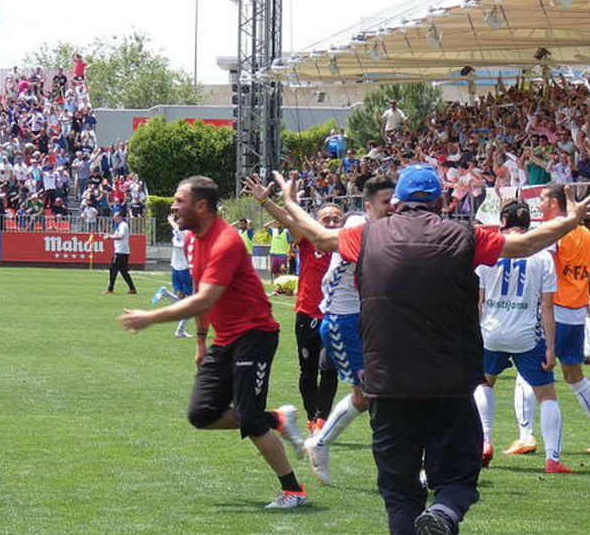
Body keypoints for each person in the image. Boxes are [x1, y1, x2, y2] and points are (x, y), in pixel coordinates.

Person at [266, 163, 586, 535]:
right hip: (449, 384)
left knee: (399, 494)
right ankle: (443, 516)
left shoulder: (366, 236)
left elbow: (318, 236)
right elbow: (526, 243)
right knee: (458, 478)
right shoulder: (464, 236)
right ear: (440, 201)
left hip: (387, 384)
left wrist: (287, 200)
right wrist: (572, 219)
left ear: (397, 201)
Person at [117, 175, 309, 509]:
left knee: (249, 418)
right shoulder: (193, 240)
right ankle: (277, 420)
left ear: (201, 206)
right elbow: (199, 292)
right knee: (201, 414)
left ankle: (294, 491)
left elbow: (205, 298)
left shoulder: (226, 242)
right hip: (226, 338)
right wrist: (201, 341)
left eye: (180, 201)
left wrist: (150, 318)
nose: (174, 207)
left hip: (255, 334)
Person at [250, 176, 396, 484]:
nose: (330, 222)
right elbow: (292, 221)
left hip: (359, 320)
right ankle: (319, 432)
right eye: (325, 218)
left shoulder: (365, 230)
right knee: (320, 377)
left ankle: (321, 425)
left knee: (346, 379)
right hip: (326, 317)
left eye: (334, 218)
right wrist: (270, 201)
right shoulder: (351, 232)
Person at [473, 201, 571, 474]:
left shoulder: (489, 249)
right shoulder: (542, 256)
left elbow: (478, 301)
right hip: (526, 334)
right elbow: (547, 306)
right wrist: (551, 348)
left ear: (503, 221)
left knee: (484, 382)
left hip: (491, 332)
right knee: (546, 394)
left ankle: (485, 441)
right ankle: (552, 459)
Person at [539, 183, 590, 455]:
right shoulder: (586, 234)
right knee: (574, 375)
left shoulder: (555, 231)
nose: (539, 204)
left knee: (534, 370)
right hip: (577, 311)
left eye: (543, 199)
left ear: (554, 203)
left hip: (557, 309)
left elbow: (546, 270)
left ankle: (526, 436)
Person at [151, 213, 195, 338]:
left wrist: (170, 220)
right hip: (185, 269)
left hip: (175, 268)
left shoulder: (177, 233)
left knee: (182, 300)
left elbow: (175, 227)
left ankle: (180, 330)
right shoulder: (187, 233)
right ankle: (180, 331)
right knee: (190, 304)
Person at [102, 211, 136, 294]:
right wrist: (109, 235)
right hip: (123, 251)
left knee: (113, 269)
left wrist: (109, 237)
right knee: (123, 271)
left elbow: (121, 236)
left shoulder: (123, 225)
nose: (114, 218)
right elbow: (117, 235)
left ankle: (110, 288)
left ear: (120, 217)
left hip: (120, 251)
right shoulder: (120, 226)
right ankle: (132, 289)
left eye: (116, 216)